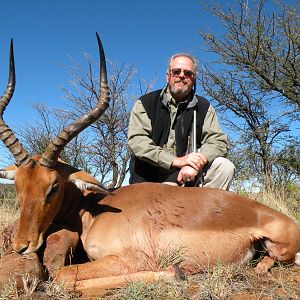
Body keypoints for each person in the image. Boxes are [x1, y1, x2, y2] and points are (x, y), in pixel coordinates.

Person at [128, 53, 235, 190]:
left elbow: (218, 141)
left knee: (224, 166)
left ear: (194, 79)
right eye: (176, 72)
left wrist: (195, 163)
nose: (181, 76)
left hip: (185, 175)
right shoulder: (145, 103)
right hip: (149, 179)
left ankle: (205, 211)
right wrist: (176, 161)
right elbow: (137, 141)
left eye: (188, 73)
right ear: (168, 76)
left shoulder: (204, 107)